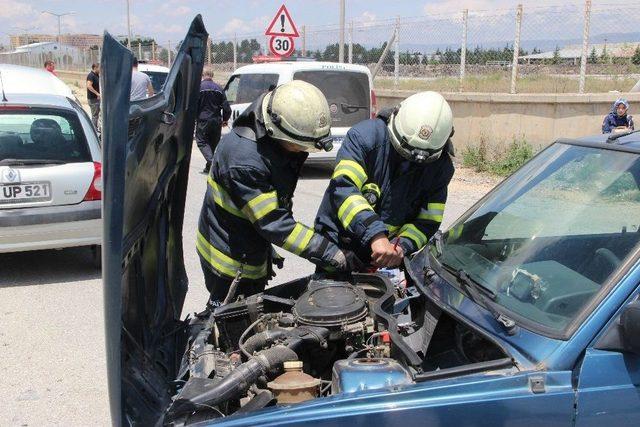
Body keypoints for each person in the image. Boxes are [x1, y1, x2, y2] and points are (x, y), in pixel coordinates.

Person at [197, 80, 356, 307]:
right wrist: (329, 253)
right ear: (276, 129)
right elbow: (274, 223)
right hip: (229, 265)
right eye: (299, 145)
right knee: (232, 322)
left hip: (246, 242)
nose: (302, 151)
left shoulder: (268, 120)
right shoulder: (244, 162)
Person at [315, 91, 455, 270]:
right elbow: (344, 190)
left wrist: (401, 247)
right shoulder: (363, 138)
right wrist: (375, 235)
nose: (411, 162)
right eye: (404, 152)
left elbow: (427, 221)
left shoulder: (440, 167)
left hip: (388, 257)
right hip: (340, 247)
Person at [196, 69, 231, 174]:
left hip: (203, 120)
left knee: (201, 142)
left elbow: (193, 106)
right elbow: (227, 108)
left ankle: (212, 163)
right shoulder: (219, 88)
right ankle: (209, 167)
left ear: (203, 75)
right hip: (216, 120)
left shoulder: (198, 88)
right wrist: (225, 119)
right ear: (212, 75)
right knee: (213, 144)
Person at [86, 63, 100, 131]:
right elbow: (89, 86)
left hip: (96, 99)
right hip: (93, 99)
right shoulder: (91, 75)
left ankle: (95, 128)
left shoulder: (97, 75)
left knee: (97, 115)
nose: (100, 69)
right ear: (95, 68)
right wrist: (97, 93)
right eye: (99, 68)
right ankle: (93, 130)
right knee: (95, 116)